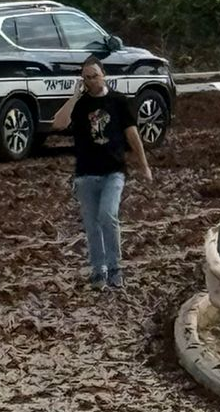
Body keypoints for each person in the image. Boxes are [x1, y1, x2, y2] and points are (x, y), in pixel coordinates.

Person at [50, 57, 153, 290]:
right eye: (86, 77)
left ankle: (115, 267)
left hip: (113, 171)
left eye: (95, 75)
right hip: (86, 173)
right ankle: (98, 270)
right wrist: (75, 96)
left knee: (108, 215)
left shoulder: (118, 101)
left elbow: (132, 135)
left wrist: (143, 164)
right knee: (92, 225)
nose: (91, 81)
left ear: (104, 74)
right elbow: (58, 123)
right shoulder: (81, 104)